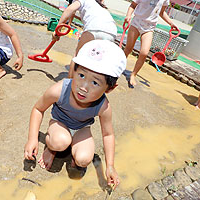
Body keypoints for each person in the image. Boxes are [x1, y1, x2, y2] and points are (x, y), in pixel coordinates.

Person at [24, 40, 126, 189]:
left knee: (84, 159)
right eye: (81, 76)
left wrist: (110, 166)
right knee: (60, 141)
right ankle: (52, 149)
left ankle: (74, 153)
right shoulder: (59, 90)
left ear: (109, 88)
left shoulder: (103, 106)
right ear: (74, 69)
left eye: (95, 83)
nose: (84, 87)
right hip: (59, 123)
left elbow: (108, 135)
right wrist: (32, 139)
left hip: (82, 128)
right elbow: (38, 109)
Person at [53, 0, 117, 78]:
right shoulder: (99, 7)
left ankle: (69, 83)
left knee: (77, 56)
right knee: (97, 61)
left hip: (94, 28)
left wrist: (57, 28)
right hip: (111, 33)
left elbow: (69, 10)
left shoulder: (81, 0)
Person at [123, 0, 178, 86]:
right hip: (136, 23)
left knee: (144, 53)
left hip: (149, 28)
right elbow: (133, 5)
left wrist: (171, 23)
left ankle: (133, 74)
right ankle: (118, 66)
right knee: (128, 49)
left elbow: (162, 12)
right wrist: (128, 15)